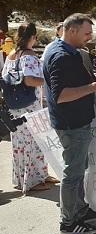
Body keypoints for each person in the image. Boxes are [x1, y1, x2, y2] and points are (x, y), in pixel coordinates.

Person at [43, 13, 96, 234]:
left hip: (75, 121)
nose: (89, 38)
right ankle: (68, 222)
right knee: (73, 173)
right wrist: (95, 86)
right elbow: (61, 95)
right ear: (72, 30)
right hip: (71, 124)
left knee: (78, 169)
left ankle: (79, 210)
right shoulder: (61, 56)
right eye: (86, 33)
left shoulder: (64, 51)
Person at [2, 23, 57, 193]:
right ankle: (33, 181)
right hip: (29, 105)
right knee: (34, 141)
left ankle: (28, 177)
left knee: (20, 143)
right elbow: (29, 80)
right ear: (32, 37)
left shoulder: (11, 55)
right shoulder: (29, 55)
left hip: (14, 105)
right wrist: (49, 82)